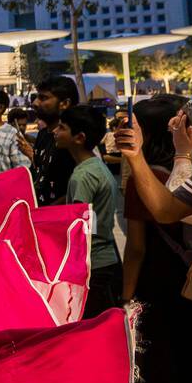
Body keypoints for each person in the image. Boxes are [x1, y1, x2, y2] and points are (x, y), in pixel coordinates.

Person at [117, 102, 192, 383]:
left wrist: (125, 299)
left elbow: (161, 218)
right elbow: (176, 210)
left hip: (163, 288)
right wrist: (183, 154)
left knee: (171, 375)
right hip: (183, 288)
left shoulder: (146, 177)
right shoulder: (184, 172)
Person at [54, 106, 121, 317]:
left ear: (79, 137)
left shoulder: (83, 176)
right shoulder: (95, 167)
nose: (55, 131)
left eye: (62, 127)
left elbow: (80, 227)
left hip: (94, 265)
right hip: (105, 261)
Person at [30, 76, 78, 204]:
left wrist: (48, 212)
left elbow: (80, 190)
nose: (35, 103)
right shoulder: (43, 134)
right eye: (37, 97)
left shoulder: (75, 139)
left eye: (43, 98)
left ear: (65, 103)